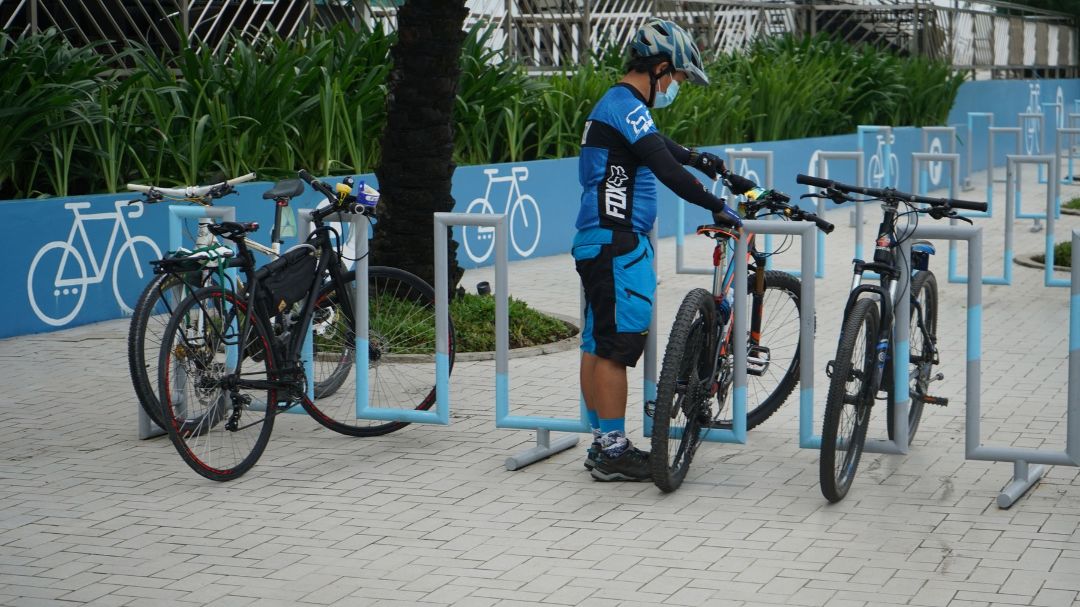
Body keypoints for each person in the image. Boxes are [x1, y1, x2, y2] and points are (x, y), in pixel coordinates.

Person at [574, 18, 745, 482]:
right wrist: (718, 206)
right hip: (618, 241)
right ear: (661, 68)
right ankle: (612, 451)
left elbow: (658, 146)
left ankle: (602, 443)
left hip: (601, 241)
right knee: (615, 348)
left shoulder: (619, 104)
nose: (676, 87)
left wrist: (698, 158)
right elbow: (664, 168)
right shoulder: (626, 105)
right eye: (678, 78)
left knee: (598, 342)